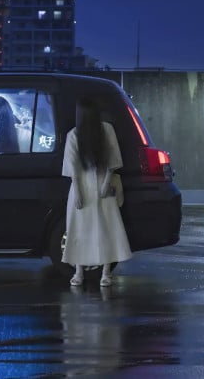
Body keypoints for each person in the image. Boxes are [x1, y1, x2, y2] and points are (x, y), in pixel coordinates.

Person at [61, 97, 132, 287]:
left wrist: (106, 183)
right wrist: (77, 192)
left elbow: (112, 160)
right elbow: (72, 168)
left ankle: (105, 272)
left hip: (101, 183)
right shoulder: (74, 135)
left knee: (106, 228)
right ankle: (79, 271)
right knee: (79, 229)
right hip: (82, 185)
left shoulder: (106, 130)